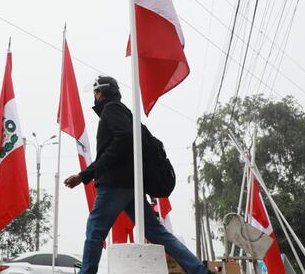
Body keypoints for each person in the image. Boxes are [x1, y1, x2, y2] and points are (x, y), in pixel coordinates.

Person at [64, 75, 210, 274]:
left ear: (103, 93)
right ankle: (199, 271)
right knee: (157, 233)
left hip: (115, 184)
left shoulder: (111, 109)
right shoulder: (125, 112)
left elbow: (122, 139)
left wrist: (84, 175)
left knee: (95, 231)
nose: (95, 96)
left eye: (96, 91)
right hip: (132, 185)